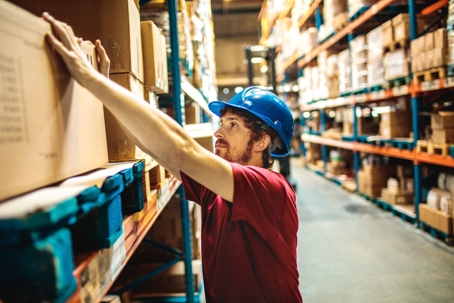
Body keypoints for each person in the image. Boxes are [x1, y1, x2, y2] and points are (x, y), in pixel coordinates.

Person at [43, 13, 302, 303]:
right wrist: (106, 94)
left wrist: (90, 80)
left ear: (263, 141)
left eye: (232, 125)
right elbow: (158, 149)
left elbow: (182, 150)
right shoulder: (217, 189)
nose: (218, 133)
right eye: (221, 123)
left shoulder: (269, 188)